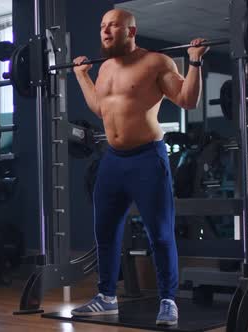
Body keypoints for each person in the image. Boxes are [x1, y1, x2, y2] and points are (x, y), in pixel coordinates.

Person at [69, 9, 208, 326]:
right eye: (102, 26)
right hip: (113, 160)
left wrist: (196, 62)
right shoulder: (104, 68)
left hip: (147, 158)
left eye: (113, 26)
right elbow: (101, 108)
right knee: (104, 231)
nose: (105, 32)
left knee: (159, 233)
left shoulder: (156, 63)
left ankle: (168, 301)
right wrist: (82, 77)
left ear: (131, 31)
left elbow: (187, 100)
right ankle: (106, 297)